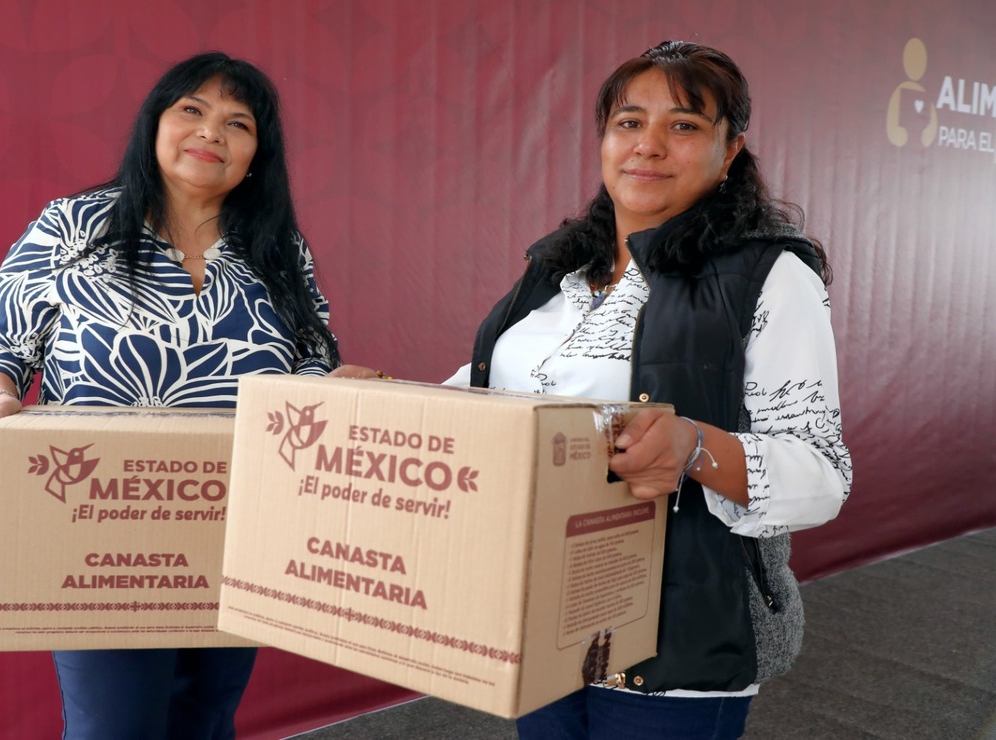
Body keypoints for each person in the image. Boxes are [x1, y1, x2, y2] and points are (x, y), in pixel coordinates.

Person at [335, 40, 851, 739]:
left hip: (676, 638)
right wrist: (384, 399)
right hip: (543, 619)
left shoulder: (765, 275)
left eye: (684, 125)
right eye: (628, 122)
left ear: (729, 152)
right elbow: (490, 401)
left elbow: (820, 474)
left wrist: (691, 446)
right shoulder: (558, 271)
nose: (649, 145)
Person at [0, 52, 340, 739]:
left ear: (258, 151)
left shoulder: (277, 246)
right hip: (98, 532)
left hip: (237, 524)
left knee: (204, 721)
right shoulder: (75, 225)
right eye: (191, 110)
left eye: (237, 122)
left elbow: (314, 362)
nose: (211, 133)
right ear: (154, 126)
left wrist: (336, 395)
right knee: (116, 728)